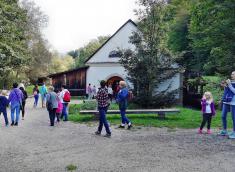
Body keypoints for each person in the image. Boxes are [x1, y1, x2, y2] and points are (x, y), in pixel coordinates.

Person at [218, 71, 235, 138]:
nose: (232, 75)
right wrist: (225, 86)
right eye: (231, 74)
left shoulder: (230, 83)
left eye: (233, 74)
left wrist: (229, 85)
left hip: (233, 102)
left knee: (234, 118)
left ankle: (234, 132)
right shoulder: (230, 82)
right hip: (226, 101)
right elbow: (227, 91)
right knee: (223, 116)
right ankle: (224, 130)